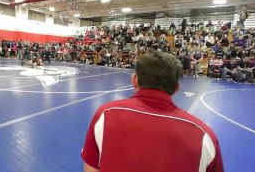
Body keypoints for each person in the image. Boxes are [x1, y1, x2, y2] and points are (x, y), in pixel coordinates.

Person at [81, 51, 224, 172]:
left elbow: (91, 169)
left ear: (134, 80)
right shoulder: (204, 136)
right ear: (176, 88)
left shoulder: (106, 114)